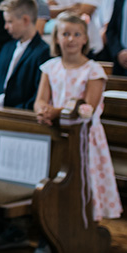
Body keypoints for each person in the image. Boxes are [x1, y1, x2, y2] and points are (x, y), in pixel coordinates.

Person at [35, 12, 122, 223]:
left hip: (85, 136)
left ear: (85, 39)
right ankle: (56, 220)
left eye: (76, 34)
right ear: (56, 38)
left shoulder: (93, 70)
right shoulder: (50, 67)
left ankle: (88, 222)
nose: (71, 39)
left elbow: (88, 108)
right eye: (65, 34)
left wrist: (56, 112)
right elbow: (40, 99)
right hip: (57, 133)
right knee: (56, 177)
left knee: (86, 180)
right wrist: (42, 111)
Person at [0, 0, 50, 109]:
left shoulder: (43, 52)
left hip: (21, 116)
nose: (5, 27)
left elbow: (38, 93)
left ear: (25, 20)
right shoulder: (7, 47)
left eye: (10, 22)